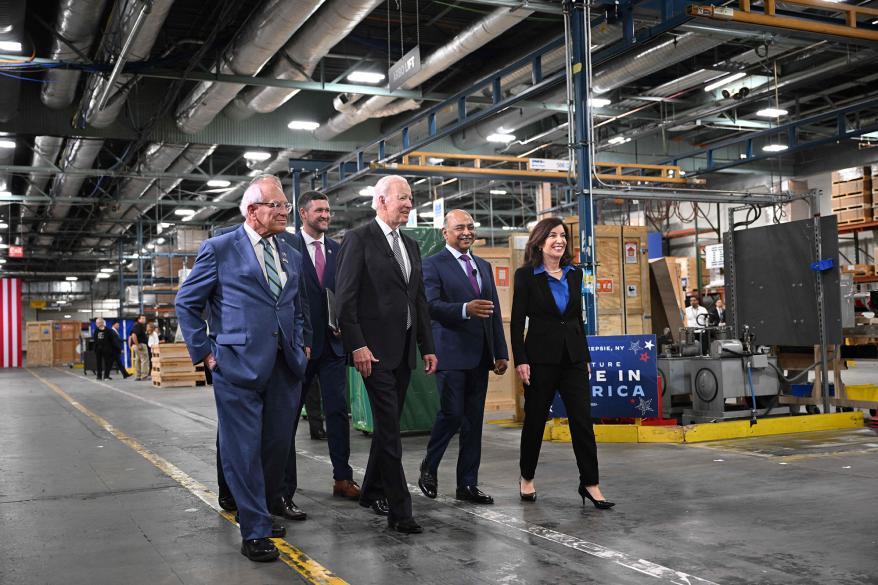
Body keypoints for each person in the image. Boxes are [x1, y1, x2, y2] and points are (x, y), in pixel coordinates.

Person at [175, 174, 308, 563]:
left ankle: (262, 511)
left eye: (285, 206)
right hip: (236, 365)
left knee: (275, 448)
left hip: (285, 365)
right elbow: (187, 303)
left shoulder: (291, 252)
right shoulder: (219, 249)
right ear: (252, 211)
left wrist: (301, 342)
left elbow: (295, 306)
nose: (284, 212)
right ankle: (254, 530)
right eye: (277, 206)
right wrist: (205, 354)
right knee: (243, 450)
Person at [335, 175, 437, 534]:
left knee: (387, 427)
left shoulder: (410, 245)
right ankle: (400, 511)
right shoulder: (358, 239)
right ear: (380, 201)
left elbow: (418, 300)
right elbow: (344, 300)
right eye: (402, 198)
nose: (409, 204)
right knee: (391, 429)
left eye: (411, 198)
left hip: (405, 350)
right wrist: (358, 345)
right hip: (373, 354)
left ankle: (371, 491)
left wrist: (427, 346)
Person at [511, 217, 614, 510]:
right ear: (540, 241)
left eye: (563, 236)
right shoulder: (526, 276)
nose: (560, 240)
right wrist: (521, 360)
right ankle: (527, 477)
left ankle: (590, 484)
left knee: (582, 422)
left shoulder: (574, 274)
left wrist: (585, 357)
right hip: (540, 360)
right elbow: (517, 322)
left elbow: (577, 320)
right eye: (553, 235)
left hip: (573, 360)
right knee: (534, 422)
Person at [418, 209, 508, 504]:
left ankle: (467, 484)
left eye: (470, 226)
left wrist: (500, 352)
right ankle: (429, 467)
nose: (467, 232)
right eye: (459, 228)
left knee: (473, 422)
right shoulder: (432, 265)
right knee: (452, 414)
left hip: (480, 356)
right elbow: (430, 305)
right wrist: (463, 309)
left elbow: (492, 311)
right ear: (445, 233)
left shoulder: (483, 265)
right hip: (451, 353)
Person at [279, 190, 360, 520]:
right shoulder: (286, 246)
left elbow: (345, 294)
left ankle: (342, 477)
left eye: (328, 210)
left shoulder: (337, 250)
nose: (326, 215)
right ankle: (285, 490)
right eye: (319, 211)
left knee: (338, 412)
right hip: (300, 347)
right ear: (303, 213)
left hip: (333, 345)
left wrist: (344, 323)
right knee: (289, 416)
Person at [129, 314, 150, 380]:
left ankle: (138, 376)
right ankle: (144, 375)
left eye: (144, 318)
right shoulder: (138, 325)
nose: (144, 319)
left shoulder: (137, 326)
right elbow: (133, 335)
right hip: (140, 345)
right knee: (145, 360)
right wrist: (138, 345)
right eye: (142, 318)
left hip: (137, 345)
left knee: (138, 360)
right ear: (139, 319)